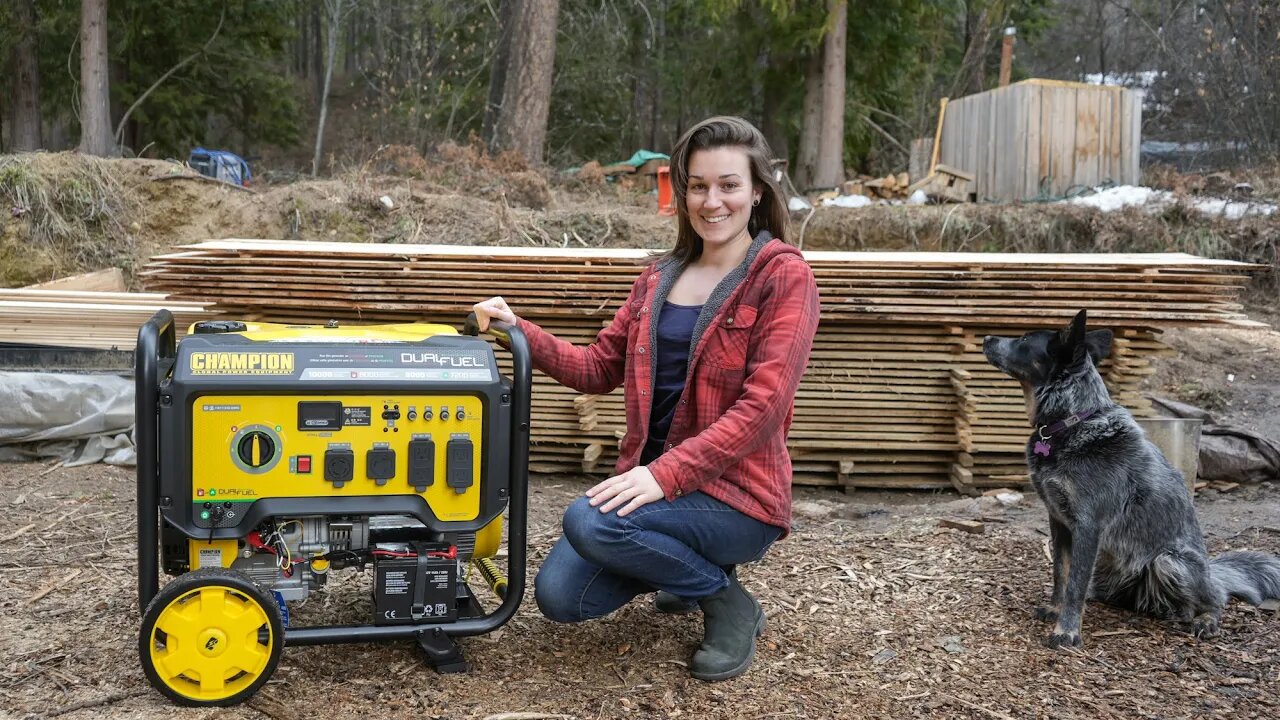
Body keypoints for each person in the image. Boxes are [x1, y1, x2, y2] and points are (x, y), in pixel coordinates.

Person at [472, 115, 819, 681]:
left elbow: (764, 408)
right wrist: (519, 328)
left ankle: (726, 601)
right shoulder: (659, 277)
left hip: (736, 496)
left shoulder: (783, 277)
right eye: (698, 186)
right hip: (655, 488)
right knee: (562, 598)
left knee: (592, 522)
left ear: (758, 191)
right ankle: (688, 568)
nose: (713, 201)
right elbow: (597, 367)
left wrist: (664, 477)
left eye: (729, 185)